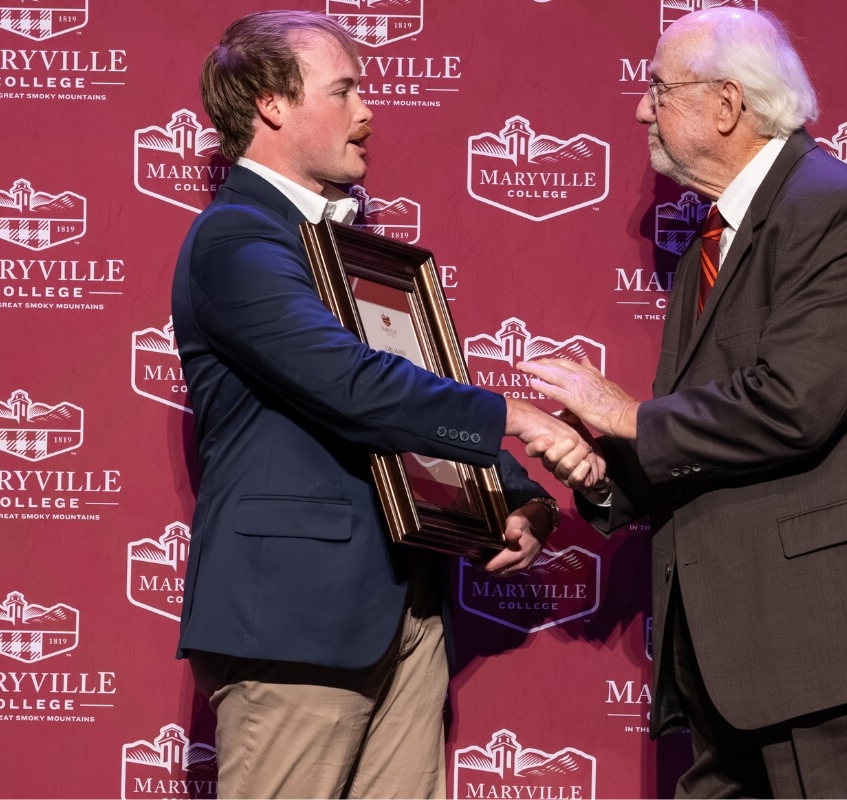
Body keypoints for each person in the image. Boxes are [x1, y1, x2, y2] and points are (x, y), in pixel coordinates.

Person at [521, 8, 847, 798]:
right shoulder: (714, 242)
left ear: (727, 104)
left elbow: (793, 406)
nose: (641, 109)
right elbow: (711, 435)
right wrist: (603, 471)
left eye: (658, 90)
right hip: (742, 669)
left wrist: (630, 416)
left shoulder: (831, 206)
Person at [171, 11, 597, 798]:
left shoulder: (348, 254)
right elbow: (350, 383)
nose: (367, 111)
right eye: (344, 91)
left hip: (408, 611)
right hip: (293, 621)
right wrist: (514, 416)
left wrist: (520, 497)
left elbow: (410, 386)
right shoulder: (236, 240)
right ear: (272, 104)